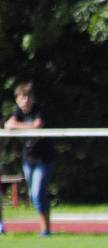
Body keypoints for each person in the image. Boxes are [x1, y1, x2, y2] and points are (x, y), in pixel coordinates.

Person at [4, 82, 56, 236]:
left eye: (27, 97)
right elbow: (8, 124)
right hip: (29, 160)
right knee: (37, 196)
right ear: (17, 100)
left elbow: (37, 125)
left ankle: (45, 230)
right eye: (21, 98)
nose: (25, 101)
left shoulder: (39, 110)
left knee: (36, 193)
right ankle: (46, 229)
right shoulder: (18, 112)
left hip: (44, 159)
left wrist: (19, 126)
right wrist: (26, 125)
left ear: (32, 98)